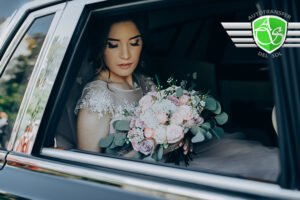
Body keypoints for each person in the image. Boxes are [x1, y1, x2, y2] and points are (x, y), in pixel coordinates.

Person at [75, 15, 279, 182]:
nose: (126, 54)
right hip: (144, 178)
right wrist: (154, 145)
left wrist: (182, 136)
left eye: (134, 43)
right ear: (101, 47)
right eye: (114, 45)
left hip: (173, 161)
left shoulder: (143, 81)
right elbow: (90, 174)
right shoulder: (98, 97)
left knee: (265, 162)